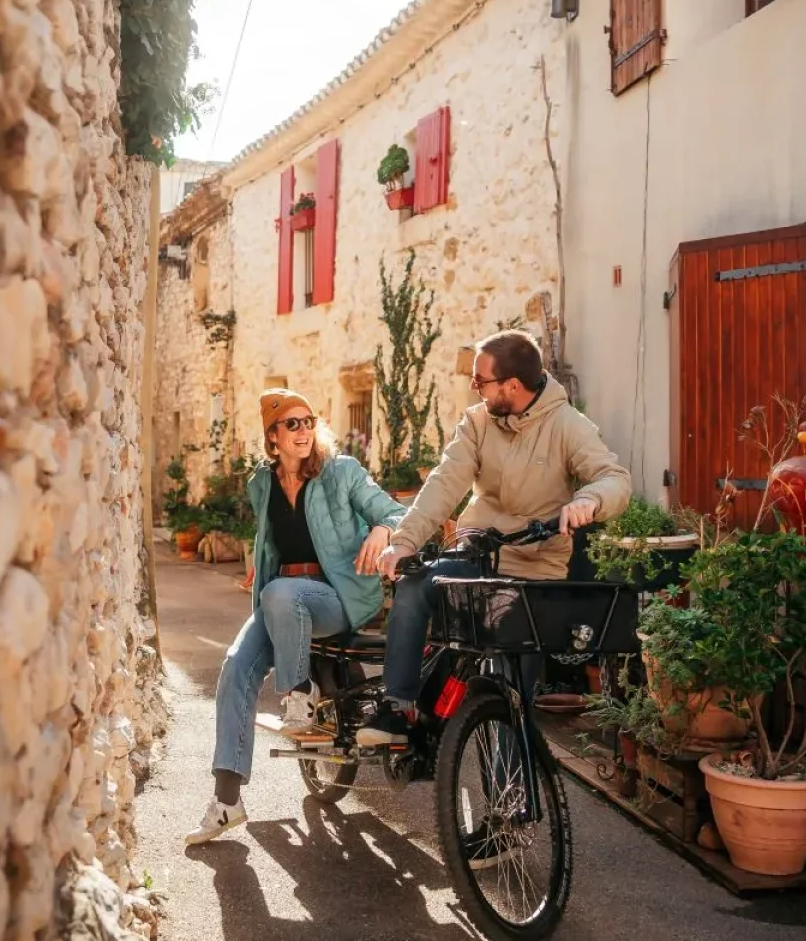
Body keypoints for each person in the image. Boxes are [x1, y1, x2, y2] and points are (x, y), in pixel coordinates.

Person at [364, 329, 632, 749]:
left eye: (480, 381)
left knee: (513, 696)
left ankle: (513, 807)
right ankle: (398, 707)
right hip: (478, 556)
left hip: (534, 571)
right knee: (416, 585)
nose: (475, 388)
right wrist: (404, 542)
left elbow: (614, 478)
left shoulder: (567, 425)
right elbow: (445, 484)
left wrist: (590, 500)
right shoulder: (477, 422)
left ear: (511, 385)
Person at [184, 388, 408, 846]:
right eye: (292, 424)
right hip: (280, 599)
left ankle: (298, 692)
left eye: (308, 421)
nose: (303, 431)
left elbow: (400, 512)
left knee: (282, 592)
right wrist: (260, 570)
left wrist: (383, 529)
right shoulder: (261, 483)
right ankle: (226, 802)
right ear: (273, 437)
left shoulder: (341, 472)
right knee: (234, 670)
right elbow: (272, 541)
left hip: (338, 598)